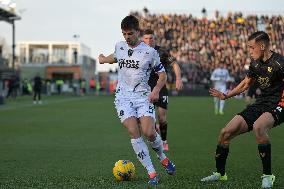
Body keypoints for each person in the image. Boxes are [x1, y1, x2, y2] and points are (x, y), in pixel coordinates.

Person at [98, 15, 175, 185]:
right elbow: (115, 56)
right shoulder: (120, 46)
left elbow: (162, 75)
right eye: (124, 34)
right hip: (123, 97)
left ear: (138, 32)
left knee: (149, 132)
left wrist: (155, 90)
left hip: (143, 97)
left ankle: (162, 157)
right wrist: (103, 59)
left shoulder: (150, 52)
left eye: (130, 34)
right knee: (133, 131)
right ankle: (152, 173)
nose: (127, 37)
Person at [201, 31, 284, 188]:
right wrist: (226, 95)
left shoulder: (280, 63)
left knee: (259, 127)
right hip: (261, 103)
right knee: (225, 133)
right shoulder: (255, 63)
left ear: (262, 46)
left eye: (252, 48)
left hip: (279, 104)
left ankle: (268, 176)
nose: (250, 51)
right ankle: (220, 174)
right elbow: (246, 84)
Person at [142, 29, 183, 151]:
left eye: (151, 38)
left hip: (161, 88)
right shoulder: (139, 52)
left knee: (162, 117)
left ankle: (164, 140)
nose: (149, 41)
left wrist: (178, 79)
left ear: (155, 39)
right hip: (145, 89)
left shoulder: (162, 52)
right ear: (142, 40)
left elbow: (174, 64)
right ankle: (157, 137)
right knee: (149, 118)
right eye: (146, 38)